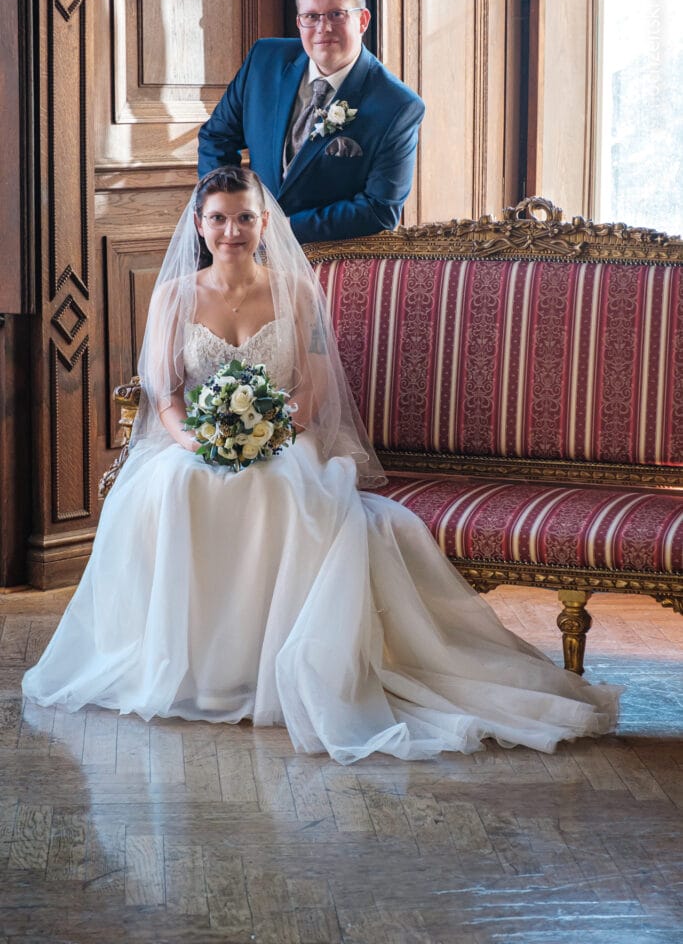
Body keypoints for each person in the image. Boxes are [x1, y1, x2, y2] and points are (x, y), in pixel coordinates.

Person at [22, 166, 620, 765]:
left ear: (263, 222)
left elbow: (310, 386)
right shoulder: (176, 294)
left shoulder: (296, 290)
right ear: (200, 226)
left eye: (245, 217)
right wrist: (196, 442)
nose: (232, 230)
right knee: (179, 487)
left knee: (280, 485)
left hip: (285, 435)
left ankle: (270, 663)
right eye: (219, 218)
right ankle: (201, 670)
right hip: (194, 443)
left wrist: (273, 432)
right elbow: (167, 396)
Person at [197, 0, 425, 244]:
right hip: (244, 251)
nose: (323, 28)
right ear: (299, 22)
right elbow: (216, 137)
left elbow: (380, 209)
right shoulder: (264, 61)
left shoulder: (397, 105)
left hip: (326, 261)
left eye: (336, 14)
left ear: (363, 20)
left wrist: (282, 229)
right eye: (311, 17)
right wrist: (228, 212)